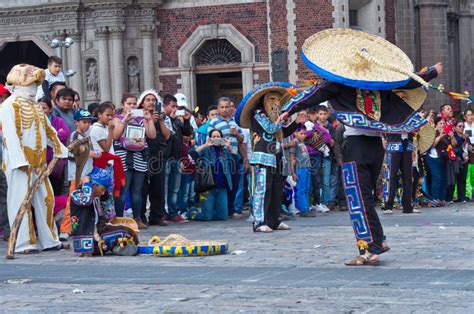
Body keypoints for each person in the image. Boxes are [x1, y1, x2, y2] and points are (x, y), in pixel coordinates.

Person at [279, 29, 441, 265]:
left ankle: (368, 250)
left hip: (356, 145)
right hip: (377, 146)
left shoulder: (339, 84)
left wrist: (289, 108)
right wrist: (431, 72)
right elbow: (409, 79)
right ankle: (379, 240)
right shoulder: (381, 86)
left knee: (358, 197)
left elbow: (313, 93)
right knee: (365, 198)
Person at [2, 64, 68, 253]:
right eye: (30, 85)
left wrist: (60, 149)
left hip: (39, 162)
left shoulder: (37, 108)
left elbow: (49, 131)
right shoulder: (9, 106)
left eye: (35, 85)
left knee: (47, 199)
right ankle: (23, 243)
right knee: (20, 201)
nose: (33, 89)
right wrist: (18, 159)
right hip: (19, 163)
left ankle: (50, 239)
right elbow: (10, 135)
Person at [236, 81, 297, 232]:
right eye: (272, 99)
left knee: (277, 189)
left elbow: (282, 133)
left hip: (277, 156)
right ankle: (258, 221)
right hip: (263, 156)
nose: (275, 103)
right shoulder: (258, 114)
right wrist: (280, 119)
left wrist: (297, 123)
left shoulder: (275, 117)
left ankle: (274, 220)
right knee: (263, 189)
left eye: (277, 99)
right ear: (264, 100)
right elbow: (270, 129)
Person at [70, 167, 138, 256]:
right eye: (102, 189)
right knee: (124, 234)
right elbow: (86, 200)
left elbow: (105, 200)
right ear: (93, 185)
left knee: (127, 230)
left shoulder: (94, 198)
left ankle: (120, 247)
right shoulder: (77, 194)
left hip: (96, 235)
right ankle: (119, 248)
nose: (102, 193)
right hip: (88, 241)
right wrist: (86, 182)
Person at [112, 93, 156, 229]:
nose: (132, 106)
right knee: (123, 189)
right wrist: (125, 120)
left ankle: (137, 218)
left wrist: (149, 120)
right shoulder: (117, 118)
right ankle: (119, 219)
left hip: (139, 156)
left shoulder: (142, 119)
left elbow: (152, 135)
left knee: (137, 190)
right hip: (124, 156)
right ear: (123, 105)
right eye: (129, 103)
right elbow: (115, 136)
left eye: (134, 103)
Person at [59, 109, 97, 241]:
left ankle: (81, 226)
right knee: (72, 201)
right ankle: (65, 229)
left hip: (86, 173)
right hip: (76, 174)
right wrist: (87, 154)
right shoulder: (74, 136)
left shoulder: (86, 137)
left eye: (89, 122)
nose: (87, 125)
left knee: (84, 201)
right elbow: (69, 154)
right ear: (76, 122)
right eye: (84, 122)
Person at [209, 97, 247, 219]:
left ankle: (233, 209)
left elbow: (242, 140)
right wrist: (221, 141)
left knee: (236, 184)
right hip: (221, 157)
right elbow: (210, 140)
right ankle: (226, 209)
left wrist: (236, 134)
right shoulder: (213, 122)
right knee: (224, 184)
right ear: (218, 108)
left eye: (227, 107)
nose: (225, 109)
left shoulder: (235, 122)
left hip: (235, 156)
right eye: (222, 107)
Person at [140, 90, 171, 226]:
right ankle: (141, 216)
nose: (151, 102)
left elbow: (167, 135)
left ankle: (156, 215)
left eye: (153, 100)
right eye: (148, 100)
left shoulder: (163, 116)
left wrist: (161, 121)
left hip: (159, 153)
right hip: (143, 154)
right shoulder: (139, 115)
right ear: (142, 102)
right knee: (142, 187)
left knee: (158, 186)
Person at [190, 129, 235, 221]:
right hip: (208, 186)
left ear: (222, 138)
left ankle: (210, 210)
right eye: (213, 137)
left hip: (221, 186)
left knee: (223, 217)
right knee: (207, 217)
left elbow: (237, 159)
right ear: (210, 138)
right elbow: (193, 154)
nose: (216, 138)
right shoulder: (206, 149)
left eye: (218, 136)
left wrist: (229, 147)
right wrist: (205, 145)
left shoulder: (225, 150)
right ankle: (192, 213)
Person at [162, 94, 193, 223]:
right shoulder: (162, 119)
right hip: (165, 157)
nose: (175, 109)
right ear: (165, 106)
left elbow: (188, 133)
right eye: (172, 106)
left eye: (176, 106)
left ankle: (173, 212)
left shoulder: (176, 121)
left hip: (177, 157)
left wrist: (186, 120)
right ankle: (163, 212)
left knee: (175, 188)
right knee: (164, 187)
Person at [39, 97, 70, 195]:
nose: (40, 110)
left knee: (56, 192)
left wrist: (48, 136)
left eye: (44, 108)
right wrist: (55, 134)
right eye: (38, 107)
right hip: (40, 164)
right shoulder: (34, 122)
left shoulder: (58, 121)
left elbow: (65, 134)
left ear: (50, 109)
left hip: (56, 163)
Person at [290, 124, 314, 217]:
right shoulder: (294, 143)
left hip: (307, 168)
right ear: (295, 133)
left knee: (307, 189)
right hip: (300, 168)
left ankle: (307, 208)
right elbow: (292, 159)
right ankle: (303, 210)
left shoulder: (302, 143)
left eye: (304, 133)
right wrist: (293, 173)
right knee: (301, 189)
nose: (303, 135)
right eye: (301, 133)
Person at [316, 105, 337, 210]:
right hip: (315, 155)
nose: (323, 116)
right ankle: (316, 202)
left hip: (327, 156)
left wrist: (326, 134)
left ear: (328, 114)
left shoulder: (331, 127)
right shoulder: (313, 126)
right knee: (316, 179)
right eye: (320, 114)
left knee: (326, 180)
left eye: (324, 114)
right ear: (316, 115)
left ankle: (326, 201)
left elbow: (333, 143)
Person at [425, 117, 450, 204]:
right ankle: (435, 198)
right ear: (436, 125)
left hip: (443, 158)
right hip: (433, 158)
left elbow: (452, 145)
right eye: (440, 123)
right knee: (436, 178)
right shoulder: (433, 133)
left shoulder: (446, 133)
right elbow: (432, 145)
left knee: (443, 179)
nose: (442, 125)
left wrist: (452, 136)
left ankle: (442, 198)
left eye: (444, 123)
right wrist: (440, 136)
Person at [446, 120, 469, 203]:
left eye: (463, 126)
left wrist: (468, 146)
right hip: (455, 160)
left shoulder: (465, 136)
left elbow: (467, 147)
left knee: (462, 179)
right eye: (459, 126)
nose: (462, 128)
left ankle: (461, 197)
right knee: (453, 179)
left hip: (464, 159)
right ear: (454, 127)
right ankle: (449, 198)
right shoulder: (453, 135)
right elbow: (454, 145)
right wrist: (454, 137)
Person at [0, 83, 11, 240]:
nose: (2, 99)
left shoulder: (8, 112)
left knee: (5, 194)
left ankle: (6, 228)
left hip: (5, 161)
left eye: (4, 97)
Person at [463, 109, 474, 200]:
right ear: (465, 117)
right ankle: (467, 193)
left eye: (472, 115)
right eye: (469, 115)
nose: (471, 117)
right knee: (468, 173)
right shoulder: (463, 126)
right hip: (467, 149)